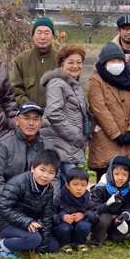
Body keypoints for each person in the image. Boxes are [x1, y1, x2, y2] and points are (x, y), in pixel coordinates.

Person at [0, 103, 55, 242]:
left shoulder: (48, 146)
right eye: (26, 118)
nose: (31, 123)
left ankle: (31, 226)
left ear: (41, 122)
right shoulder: (3, 144)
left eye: (35, 118)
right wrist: (8, 201)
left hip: (34, 197)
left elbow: (55, 178)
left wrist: (49, 199)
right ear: (17, 121)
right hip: (8, 195)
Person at [0, 149, 61, 258]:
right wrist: (26, 222)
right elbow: (3, 208)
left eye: (51, 172)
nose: (45, 176)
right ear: (33, 168)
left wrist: (41, 249)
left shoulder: (49, 189)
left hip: (30, 223)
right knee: (34, 239)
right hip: (6, 222)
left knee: (52, 246)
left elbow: (46, 217)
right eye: (42, 170)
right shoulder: (18, 183)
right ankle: (2, 246)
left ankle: (22, 241)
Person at [87, 42, 130, 181]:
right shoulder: (96, 80)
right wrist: (116, 134)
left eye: (119, 60)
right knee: (105, 184)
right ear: (104, 63)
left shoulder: (129, 80)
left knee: (127, 183)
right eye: (112, 61)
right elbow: (100, 110)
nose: (117, 64)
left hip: (128, 143)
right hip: (105, 140)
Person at [39, 43, 88, 183]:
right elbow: (53, 113)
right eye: (70, 62)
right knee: (72, 184)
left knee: (69, 185)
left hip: (70, 145)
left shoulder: (75, 83)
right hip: (60, 142)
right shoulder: (57, 83)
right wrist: (74, 134)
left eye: (79, 62)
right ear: (61, 64)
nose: (75, 66)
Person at [9, 17, 58, 108]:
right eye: (39, 33)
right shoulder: (21, 60)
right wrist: (31, 107)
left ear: (53, 37)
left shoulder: (61, 60)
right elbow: (15, 89)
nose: (43, 37)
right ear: (33, 36)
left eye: (47, 33)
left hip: (55, 116)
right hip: (28, 116)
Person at [90, 155, 130, 247]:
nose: (120, 178)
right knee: (104, 218)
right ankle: (97, 238)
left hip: (117, 218)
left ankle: (115, 237)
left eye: (124, 175)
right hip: (103, 217)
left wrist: (126, 215)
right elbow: (93, 208)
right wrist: (107, 205)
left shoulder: (129, 188)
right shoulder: (101, 187)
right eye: (117, 174)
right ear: (110, 173)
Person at [52, 166, 98, 254]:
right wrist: (62, 217)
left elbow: (95, 216)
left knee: (84, 226)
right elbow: (50, 214)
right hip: (63, 230)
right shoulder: (59, 199)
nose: (79, 188)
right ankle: (64, 245)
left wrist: (84, 215)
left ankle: (80, 243)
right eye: (75, 184)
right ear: (67, 185)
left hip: (79, 229)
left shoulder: (88, 200)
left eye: (83, 185)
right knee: (63, 227)